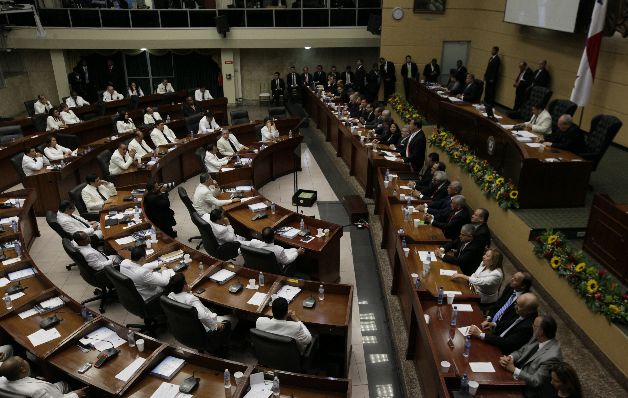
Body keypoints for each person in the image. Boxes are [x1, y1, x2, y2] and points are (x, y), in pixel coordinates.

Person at [167, 276, 236, 354]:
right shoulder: (191, 299)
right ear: (184, 286)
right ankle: (223, 344)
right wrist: (215, 325)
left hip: (185, 330)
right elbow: (203, 316)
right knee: (234, 318)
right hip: (204, 331)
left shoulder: (170, 296)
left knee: (212, 309)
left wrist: (187, 292)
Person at [500, 315, 562, 397]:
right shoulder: (537, 337)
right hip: (515, 377)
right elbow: (521, 352)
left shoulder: (552, 357)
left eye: (534, 326)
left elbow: (536, 381)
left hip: (526, 391)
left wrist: (514, 369)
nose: (532, 326)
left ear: (541, 331)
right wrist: (510, 358)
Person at [471, 292, 539, 355]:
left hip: (501, 352)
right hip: (496, 339)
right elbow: (509, 323)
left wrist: (480, 334)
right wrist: (494, 324)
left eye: (518, 306)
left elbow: (507, 343)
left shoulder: (528, 327)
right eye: (516, 303)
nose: (515, 307)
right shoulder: (523, 312)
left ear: (528, 311)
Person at [0, 355, 88, 398]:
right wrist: (76, 395)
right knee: (67, 384)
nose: (25, 360)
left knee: (62, 383)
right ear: (23, 369)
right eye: (23, 360)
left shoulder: (2, 380)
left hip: (47, 389)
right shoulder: (37, 390)